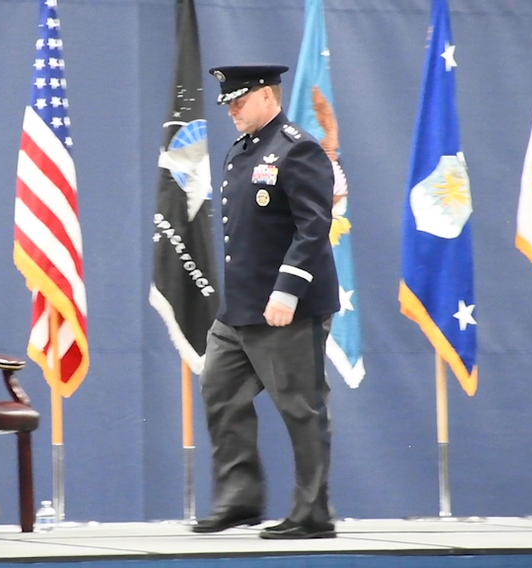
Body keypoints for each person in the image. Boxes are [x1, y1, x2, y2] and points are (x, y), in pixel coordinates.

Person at [191, 65, 339, 540]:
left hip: (287, 307)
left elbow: (313, 226)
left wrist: (287, 290)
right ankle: (240, 497)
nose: (231, 111)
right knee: (219, 390)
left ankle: (313, 512)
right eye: (227, 103)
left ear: (266, 95)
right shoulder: (242, 151)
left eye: (238, 101)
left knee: (301, 406)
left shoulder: (297, 148)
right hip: (241, 308)